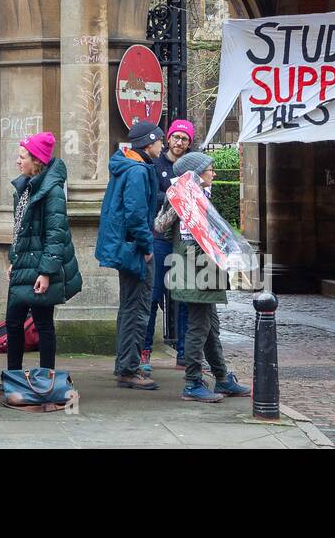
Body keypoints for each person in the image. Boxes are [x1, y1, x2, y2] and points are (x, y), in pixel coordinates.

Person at [168, 150, 250, 403]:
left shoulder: (197, 196)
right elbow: (190, 239)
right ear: (195, 174)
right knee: (199, 326)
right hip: (197, 270)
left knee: (211, 327)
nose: (213, 173)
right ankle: (192, 383)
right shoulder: (187, 200)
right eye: (209, 169)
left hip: (201, 268)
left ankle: (222, 377)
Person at [3, 132, 81, 384]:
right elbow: (19, 230)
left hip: (39, 269)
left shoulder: (52, 191)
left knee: (43, 323)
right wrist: (13, 259)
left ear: (36, 160)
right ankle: (13, 377)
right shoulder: (25, 186)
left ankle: (47, 378)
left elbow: (56, 235)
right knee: (13, 323)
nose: (18, 161)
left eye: (22, 156)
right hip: (24, 265)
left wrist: (46, 272)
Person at [97, 120, 164, 390]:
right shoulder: (137, 172)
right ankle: (129, 368)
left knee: (129, 308)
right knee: (137, 309)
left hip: (127, 247)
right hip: (135, 250)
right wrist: (147, 247)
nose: (163, 144)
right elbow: (136, 215)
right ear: (149, 142)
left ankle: (126, 364)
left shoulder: (129, 166)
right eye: (160, 139)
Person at [144, 118, 194, 368]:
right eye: (176, 137)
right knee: (153, 298)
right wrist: (176, 195)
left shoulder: (191, 167)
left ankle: (184, 353)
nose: (179, 142)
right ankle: (145, 352)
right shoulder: (155, 165)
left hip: (184, 241)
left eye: (184, 139)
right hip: (160, 238)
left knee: (184, 298)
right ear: (169, 138)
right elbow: (153, 197)